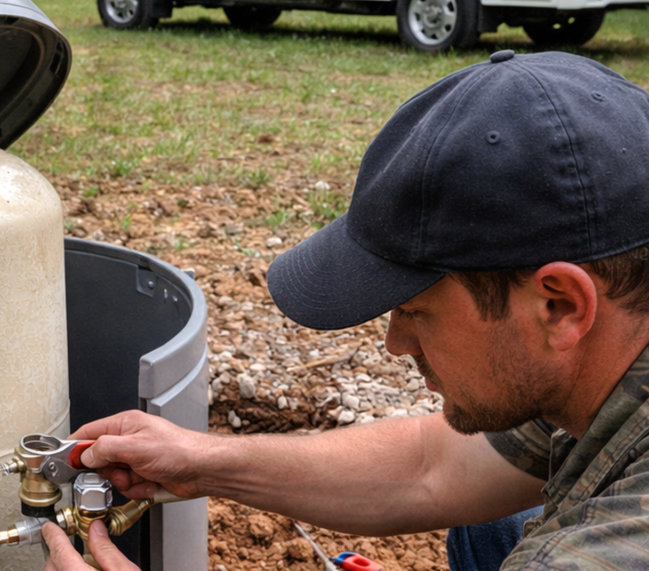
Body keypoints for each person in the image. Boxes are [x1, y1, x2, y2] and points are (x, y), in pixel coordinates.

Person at [42, 50, 649, 571]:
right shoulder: (613, 351)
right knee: (494, 522)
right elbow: (431, 469)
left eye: (414, 310)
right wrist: (204, 462)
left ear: (560, 304)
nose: (396, 344)